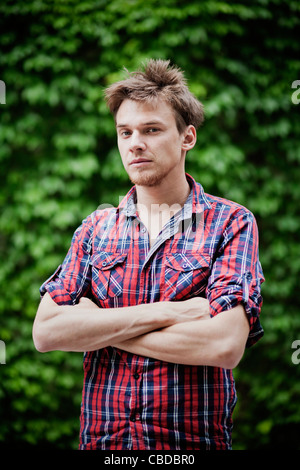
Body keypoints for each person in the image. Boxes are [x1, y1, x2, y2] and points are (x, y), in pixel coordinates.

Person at [32, 59, 264, 450]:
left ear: (186, 137)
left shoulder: (230, 223)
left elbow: (223, 347)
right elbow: (46, 332)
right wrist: (175, 312)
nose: (135, 143)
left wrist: (98, 326)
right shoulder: (96, 229)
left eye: (151, 130)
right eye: (125, 132)